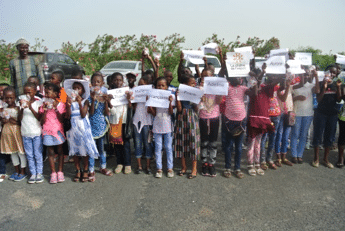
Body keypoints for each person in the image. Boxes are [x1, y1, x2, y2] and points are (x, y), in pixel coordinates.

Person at [222, 77, 257, 179]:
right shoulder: (227, 87)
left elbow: (253, 94)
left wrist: (255, 81)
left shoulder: (243, 88)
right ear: (231, 78)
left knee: (239, 147)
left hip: (241, 120)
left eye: (240, 77)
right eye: (236, 77)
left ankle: (237, 168)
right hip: (229, 120)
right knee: (228, 146)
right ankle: (227, 167)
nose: (239, 79)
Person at [65, 79, 99, 182]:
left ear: (82, 91)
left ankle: (85, 169)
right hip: (73, 128)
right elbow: (68, 115)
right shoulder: (70, 101)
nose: (76, 90)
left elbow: (83, 114)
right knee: (75, 150)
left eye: (78, 88)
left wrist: (80, 103)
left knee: (85, 150)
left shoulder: (85, 100)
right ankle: (77, 170)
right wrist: (68, 105)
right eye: (74, 88)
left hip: (83, 127)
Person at [246, 74, 279, 176]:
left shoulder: (266, 89)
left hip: (263, 120)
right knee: (251, 143)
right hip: (253, 119)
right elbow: (255, 93)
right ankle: (250, 164)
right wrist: (257, 80)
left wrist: (281, 73)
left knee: (259, 143)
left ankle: (257, 163)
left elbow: (275, 83)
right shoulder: (251, 90)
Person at [312, 66, 342, 168]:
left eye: (334, 73)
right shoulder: (320, 84)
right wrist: (324, 88)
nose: (332, 75)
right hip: (320, 113)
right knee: (318, 135)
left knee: (329, 137)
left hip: (332, 114)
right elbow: (318, 100)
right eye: (330, 73)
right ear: (326, 73)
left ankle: (326, 159)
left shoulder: (336, 84)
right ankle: (316, 159)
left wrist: (338, 87)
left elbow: (338, 100)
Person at [39, 83, 66, 183]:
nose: (46, 93)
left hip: (58, 131)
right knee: (50, 152)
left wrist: (55, 108)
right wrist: (45, 110)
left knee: (60, 151)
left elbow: (61, 119)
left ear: (56, 93)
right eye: (45, 91)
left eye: (49, 91)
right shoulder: (43, 105)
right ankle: (53, 173)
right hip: (47, 131)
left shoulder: (60, 105)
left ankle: (60, 172)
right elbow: (41, 121)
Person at [290, 70, 320, 163]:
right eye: (303, 74)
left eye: (307, 75)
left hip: (308, 114)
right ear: (299, 74)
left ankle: (300, 155)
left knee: (303, 135)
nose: (305, 76)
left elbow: (318, 91)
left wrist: (316, 76)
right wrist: (297, 98)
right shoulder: (294, 85)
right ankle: (294, 155)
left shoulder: (310, 85)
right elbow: (289, 98)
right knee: (295, 134)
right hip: (297, 113)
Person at [147, 77, 174, 178]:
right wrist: (150, 106)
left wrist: (170, 102)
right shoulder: (154, 97)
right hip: (157, 125)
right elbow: (154, 113)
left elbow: (171, 113)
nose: (161, 87)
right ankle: (159, 169)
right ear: (156, 86)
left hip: (167, 125)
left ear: (167, 87)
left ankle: (170, 168)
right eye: (159, 85)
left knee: (168, 147)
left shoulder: (170, 96)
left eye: (163, 85)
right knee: (158, 148)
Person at [175, 74, 200, 179]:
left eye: (194, 83)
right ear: (185, 84)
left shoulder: (195, 92)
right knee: (181, 141)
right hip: (181, 117)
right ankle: (183, 166)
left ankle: (194, 169)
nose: (194, 85)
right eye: (191, 83)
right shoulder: (180, 91)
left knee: (193, 141)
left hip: (192, 117)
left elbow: (197, 109)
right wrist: (178, 97)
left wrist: (198, 99)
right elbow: (179, 109)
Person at [18, 82, 44, 183]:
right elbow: (19, 119)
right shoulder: (20, 103)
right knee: (29, 154)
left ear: (34, 92)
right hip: (25, 133)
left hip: (36, 133)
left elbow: (39, 118)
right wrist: (21, 109)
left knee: (37, 154)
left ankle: (39, 173)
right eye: (25, 93)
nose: (27, 95)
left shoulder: (38, 103)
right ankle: (33, 173)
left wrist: (30, 107)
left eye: (29, 92)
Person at [198, 69, 222, 177]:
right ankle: (204, 163)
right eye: (203, 76)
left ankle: (212, 163)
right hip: (202, 117)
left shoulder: (216, 88)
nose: (205, 79)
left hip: (214, 117)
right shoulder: (198, 88)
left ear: (212, 77)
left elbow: (218, 101)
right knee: (203, 142)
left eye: (207, 76)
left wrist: (221, 91)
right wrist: (201, 90)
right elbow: (197, 103)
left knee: (213, 141)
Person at [107, 73, 132, 174]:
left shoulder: (126, 92)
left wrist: (128, 98)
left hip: (124, 121)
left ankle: (127, 164)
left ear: (123, 81)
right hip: (114, 122)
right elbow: (111, 112)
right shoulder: (110, 94)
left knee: (125, 143)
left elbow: (130, 107)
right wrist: (109, 102)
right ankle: (119, 163)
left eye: (120, 80)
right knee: (117, 144)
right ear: (112, 81)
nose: (118, 82)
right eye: (116, 80)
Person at [1, 87, 27, 181]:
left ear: (15, 97)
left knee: (20, 152)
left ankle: (23, 171)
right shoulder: (3, 109)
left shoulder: (18, 108)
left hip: (17, 132)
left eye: (11, 98)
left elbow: (21, 121)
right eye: (7, 98)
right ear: (4, 98)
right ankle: (17, 170)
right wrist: (3, 121)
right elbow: (2, 121)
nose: (9, 100)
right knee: (12, 152)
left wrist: (15, 121)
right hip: (7, 133)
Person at [88, 73, 111, 177]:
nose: (96, 83)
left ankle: (103, 167)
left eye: (98, 82)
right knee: (91, 148)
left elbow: (106, 112)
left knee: (101, 148)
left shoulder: (104, 93)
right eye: (93, 82)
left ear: (102, 83)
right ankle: (91, 169)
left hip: (101, 124)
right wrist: (93, 99)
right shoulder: (90, 94)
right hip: (92, 123)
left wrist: (106, 101)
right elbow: (91, 112)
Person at [133, 76, 153, 174]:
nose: (141, 87)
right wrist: (131, 99)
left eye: (143, 85)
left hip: (147, 122)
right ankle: (139, 166)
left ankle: (148, 166)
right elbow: (132, 107)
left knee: (147, 144)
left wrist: (148, 100)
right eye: (140, 85)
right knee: (137, 144)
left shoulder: (150, 94)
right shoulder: (135, 93)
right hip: (136, 121)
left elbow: (152, 110)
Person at [0, 82, 10, 182]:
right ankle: (1, 171)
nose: (2, 92)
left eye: (4, 90)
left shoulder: (11, 102)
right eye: (0, 90)